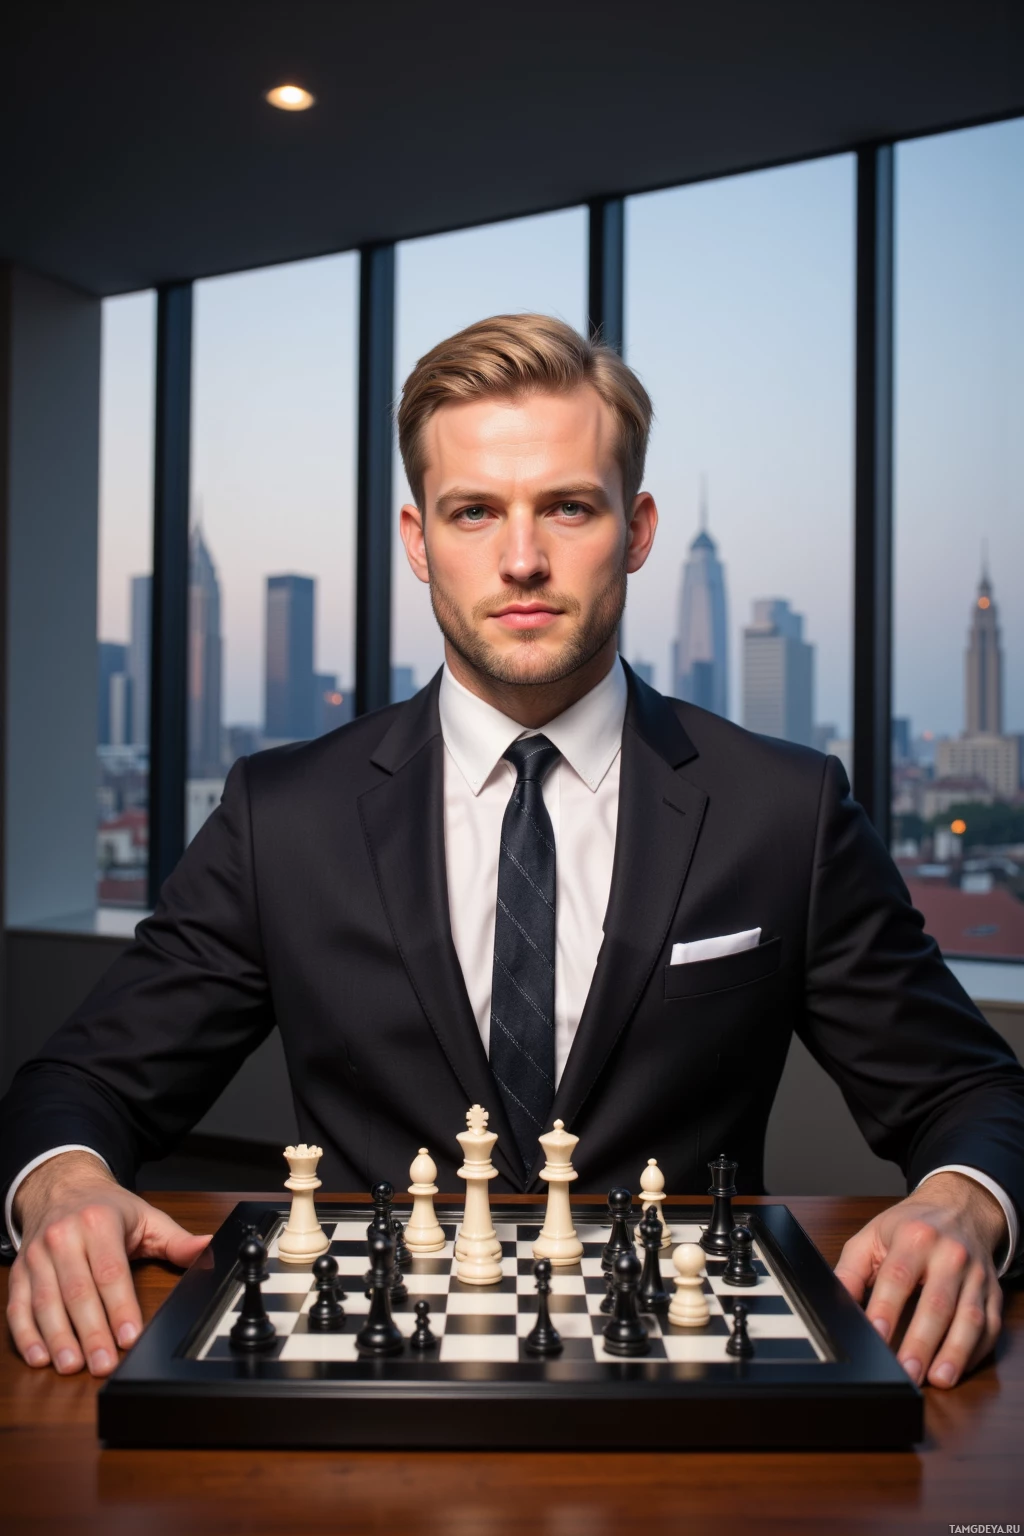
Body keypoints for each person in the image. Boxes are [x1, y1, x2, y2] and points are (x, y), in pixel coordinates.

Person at [3, 315, 1022, 1393]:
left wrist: (964, 1201)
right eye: (474, 511)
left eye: (568, 508)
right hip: (363, 1404)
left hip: (680, 1406)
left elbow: (974, 1093)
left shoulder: (784, 809)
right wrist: (61, 1183)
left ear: (634, 530)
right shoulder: (282, 814)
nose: (522, 559)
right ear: (416, 538)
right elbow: (78, 1083)